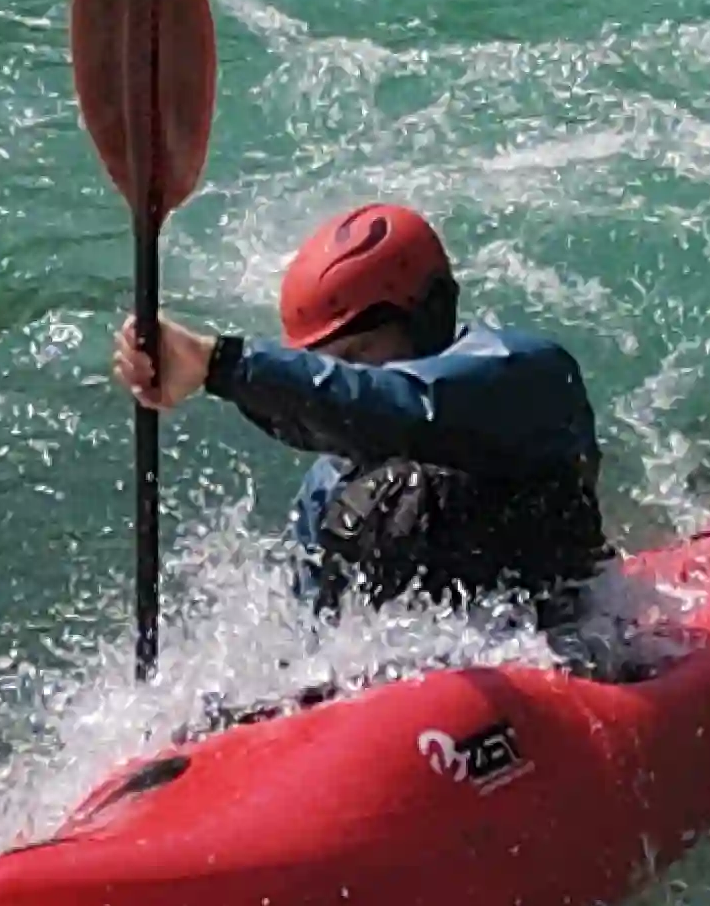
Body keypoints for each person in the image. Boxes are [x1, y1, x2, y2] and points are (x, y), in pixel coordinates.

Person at [111, 197, 609, 630]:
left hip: (561, 633)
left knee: (402, 491)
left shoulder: (520, 373)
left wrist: (219, 365)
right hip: (435, 681)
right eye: (326, 364)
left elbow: (402, 407)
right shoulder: (331, 483)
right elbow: (311, 632)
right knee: (365, 505)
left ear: (429, 313)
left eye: (358, 353)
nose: (342, 375)